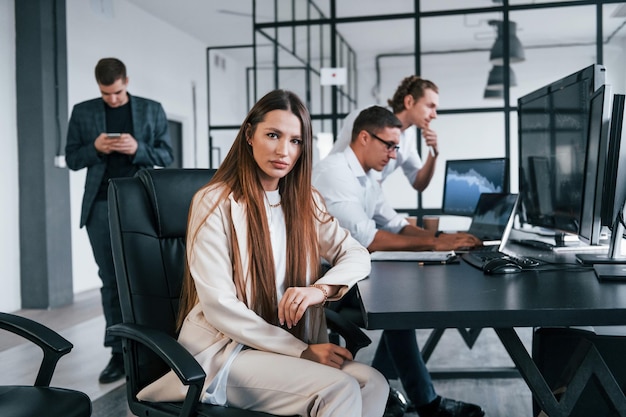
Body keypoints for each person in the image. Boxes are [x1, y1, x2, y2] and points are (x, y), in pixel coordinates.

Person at [134, 89, 388, 417]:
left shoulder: (304, 201)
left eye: (296, 141)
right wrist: (302, 352)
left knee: (374, 384)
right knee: (338, 389)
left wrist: (320, 290)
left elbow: (356, 253)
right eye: (273, 135)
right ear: (249, 135)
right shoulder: (214, 202)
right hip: (226, 353)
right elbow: (220, 307)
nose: (284, 150)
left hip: (285, 347)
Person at [313, 105, 484, 417]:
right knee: (402, 303)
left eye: (396, 147)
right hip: (324, 282)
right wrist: (434, 243)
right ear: (364, 137)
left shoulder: (366, 178)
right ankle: (424, 403)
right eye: (389, 145)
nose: (394, 155)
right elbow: (369, 238)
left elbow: (393, 223)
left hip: (352, 270)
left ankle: (389, 395)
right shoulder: (334, 172)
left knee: (402, 302)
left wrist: (445, 241)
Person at [65, 57, 174, 384]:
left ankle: (155, 349)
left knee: (150, 277)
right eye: (105, 93)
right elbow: (71, 158)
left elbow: (167, 156)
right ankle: (118, 353)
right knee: (110, 279)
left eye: (116, 92)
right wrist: (95, 148)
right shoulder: (83, 112)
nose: (112, 99)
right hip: (100, 204)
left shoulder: (152, 109)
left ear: (126, 81)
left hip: (141, 202)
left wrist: (138, 148)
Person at [330, 75, 439, 192]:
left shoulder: (409, 136)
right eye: (430, 106)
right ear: (409, 102)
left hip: (366, 197)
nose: (434, 115)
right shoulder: (367, 117)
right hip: (336, 190)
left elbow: (418, 183)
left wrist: (433, 153)